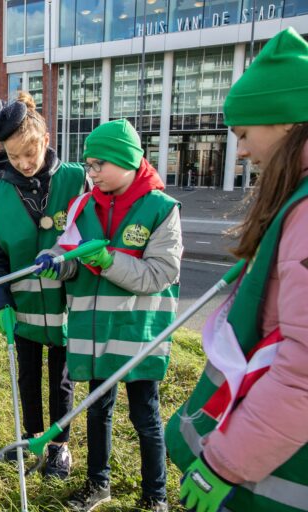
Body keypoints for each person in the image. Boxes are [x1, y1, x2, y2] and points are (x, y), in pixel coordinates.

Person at [166, 27, 308, 512]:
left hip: (275, 466)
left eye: (245, 134)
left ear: (288, 122)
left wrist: (226, 463)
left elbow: (303, 371)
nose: (242, 151)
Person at [52, 119, 182, 512]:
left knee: (146, 415)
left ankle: (154, 495)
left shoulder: (161, 209)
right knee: (98, 411)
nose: (91, 174)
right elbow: (71, 258)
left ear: (128, 162)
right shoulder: (83, 205)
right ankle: (98, 483)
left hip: (137, 334)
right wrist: (59, 262)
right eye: (88, 165)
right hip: (94, 333)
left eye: (98, 166)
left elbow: (162, 273)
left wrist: (108, 261)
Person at [0, 92, 87, 478]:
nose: (24, 164)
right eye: (13, 157)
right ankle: (33, 438)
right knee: (27, 374)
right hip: (23, 306)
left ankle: (59, 446)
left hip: (66, 302)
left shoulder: (77, 180)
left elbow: (89, 234)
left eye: (29, 152)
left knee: (62, 378)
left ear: (45, 139)